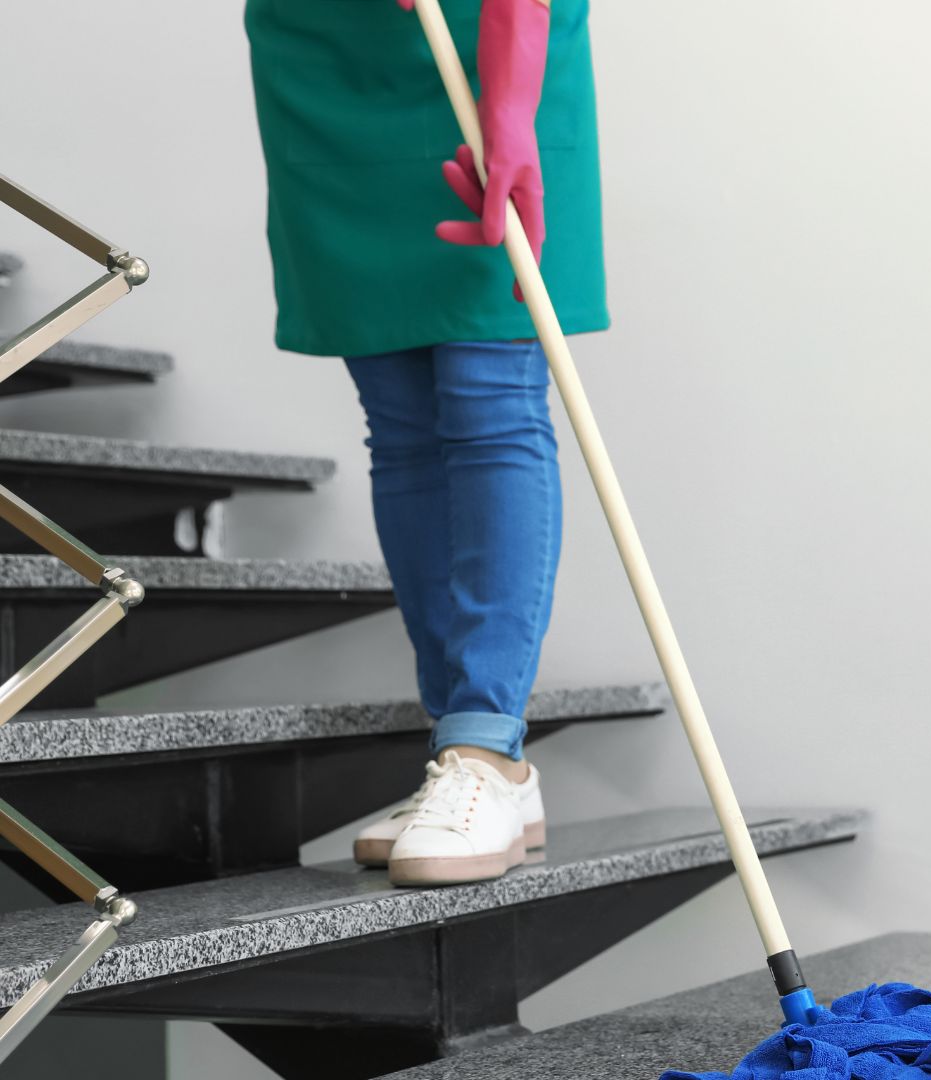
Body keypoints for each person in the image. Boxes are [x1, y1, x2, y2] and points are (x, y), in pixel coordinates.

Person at [243, 0, 606, 885]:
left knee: (489, 396)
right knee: (401, 424)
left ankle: (483, 742)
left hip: (489, 41)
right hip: (328, 53)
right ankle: (477, 763)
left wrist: (511, 105)